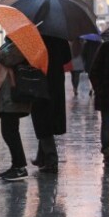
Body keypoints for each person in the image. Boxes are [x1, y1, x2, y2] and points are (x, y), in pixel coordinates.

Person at [0, 36, 33, 182]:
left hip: (12, 94)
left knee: (10, 131)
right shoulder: (9, 44)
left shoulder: (21, 44)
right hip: (4, 94)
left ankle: (20, 168)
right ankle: (16, 165)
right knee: (9, 131)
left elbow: (7, 59)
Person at [31, 35, 71, 174]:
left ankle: (51, 159)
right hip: (56, 81)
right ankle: (41, 157)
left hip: (40, 80)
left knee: (41, 119)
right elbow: (67, 58)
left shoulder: (36, 37)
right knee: (47, 117)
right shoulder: (59, 36)